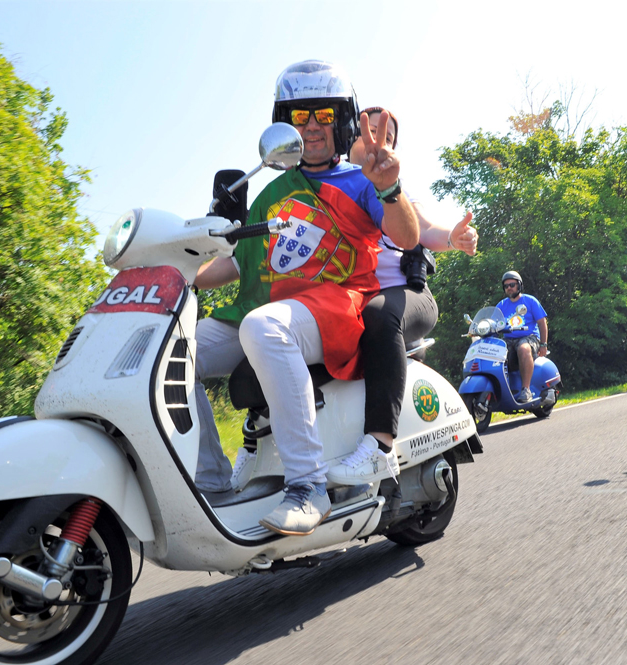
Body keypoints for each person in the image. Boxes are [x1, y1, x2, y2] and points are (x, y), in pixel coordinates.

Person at [192, 60, 419, 536]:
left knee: (264, 326)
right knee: (172, 351)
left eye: (322, 115)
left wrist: (390, 187)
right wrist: (177, 270)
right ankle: (210, 482)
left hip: (332, 306)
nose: (312, 127)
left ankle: (307, 486)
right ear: (285, 124)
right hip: (266, 308)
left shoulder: (363, 181)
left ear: (342, 122)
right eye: (300, 117)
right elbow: (237, 264)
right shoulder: (270, 193)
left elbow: (406, 233)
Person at [324, 107, 478, 484]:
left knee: (378, 313)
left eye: (387, 136)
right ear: (349, 136)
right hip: (350, 302)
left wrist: (453, 239)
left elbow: (425, 229)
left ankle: (379, 447)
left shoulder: (396, 191)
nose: (377, 140)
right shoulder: (326, 190)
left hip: (405, 296)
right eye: (369, 130)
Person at [495, 270, 548, 403]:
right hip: (508, 339)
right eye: (506, 286)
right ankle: (499, 390)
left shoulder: (530, 301)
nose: (509, 288)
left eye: (512, 284)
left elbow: (542, 323)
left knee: (524, 348)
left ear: (519, 285)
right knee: (492, 352)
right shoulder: (501, 305)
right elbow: (493, 323)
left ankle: (526, 390)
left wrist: (543, 344)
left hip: (529, 337)